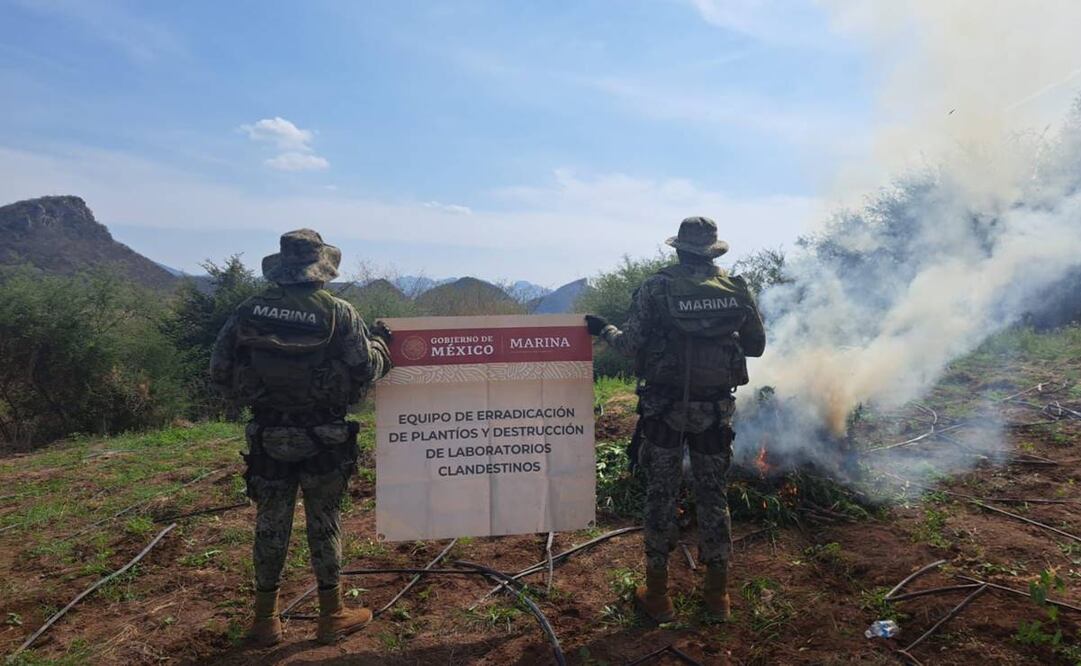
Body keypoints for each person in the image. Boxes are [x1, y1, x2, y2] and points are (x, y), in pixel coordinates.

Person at [210, 229, 392, 646]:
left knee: (270, 523)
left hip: (267, 435)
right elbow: (365, 368)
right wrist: (383, 345)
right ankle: (332, 616)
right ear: (320, 269)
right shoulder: (338, 312)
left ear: (282, 266)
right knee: (324, 522)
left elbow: (219, 371)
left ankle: (264, 620)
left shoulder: (248, 310)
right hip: (323, 437)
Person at [585, 216, 765, 622]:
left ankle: (658, 598)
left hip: (665, 412)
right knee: (713, 498)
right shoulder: (735, 289)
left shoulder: (657, 287)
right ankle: (717, 599)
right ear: (713, 250)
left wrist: (604, 329)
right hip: (715, 411)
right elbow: (755, 347)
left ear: (679, 249)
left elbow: (630, 345)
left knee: (661, 496)